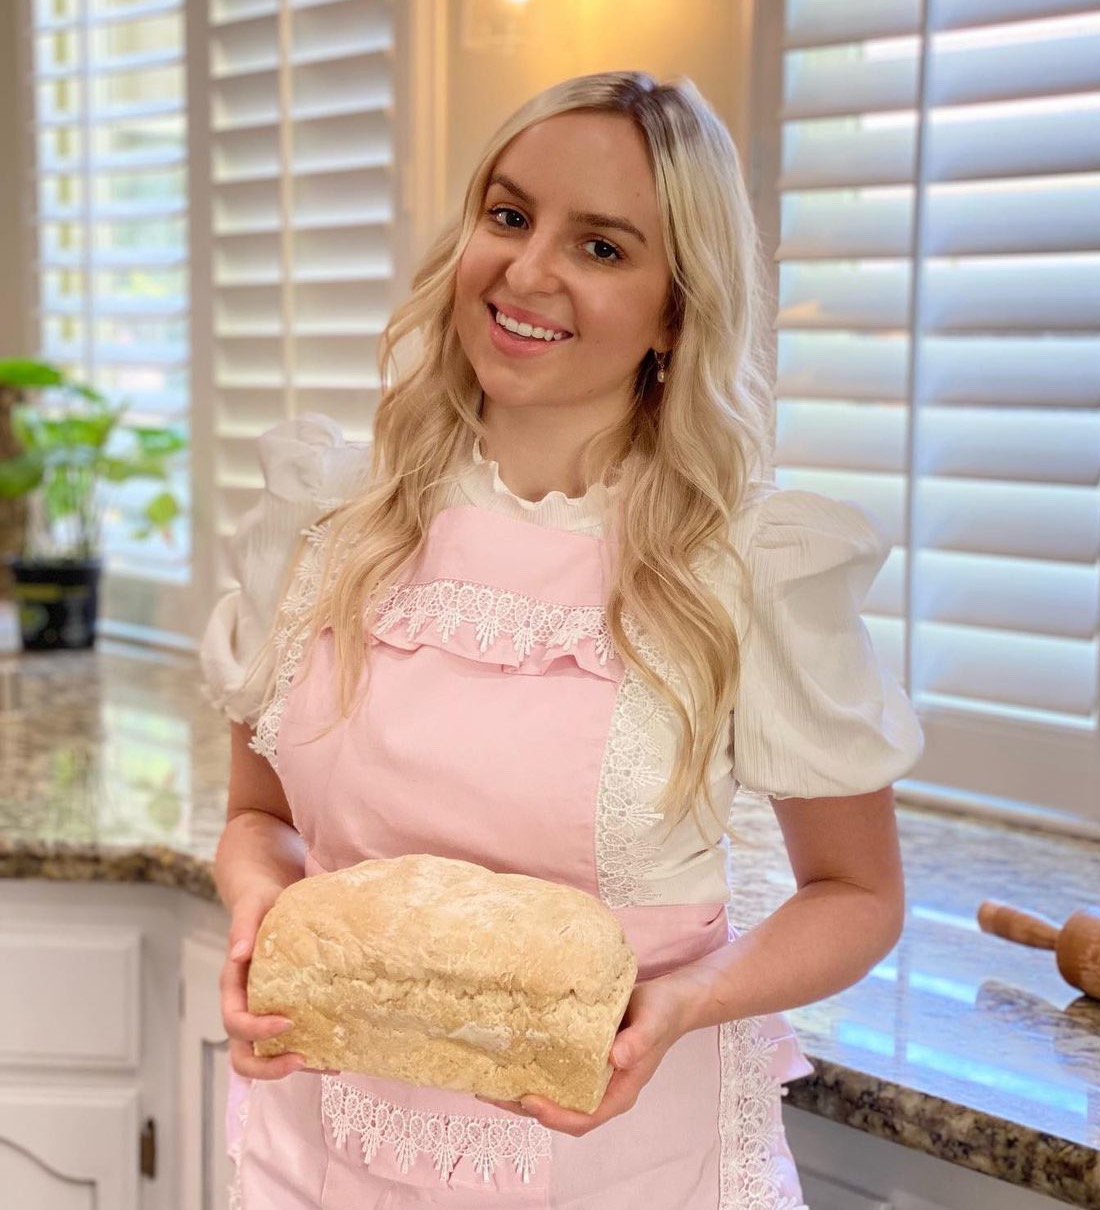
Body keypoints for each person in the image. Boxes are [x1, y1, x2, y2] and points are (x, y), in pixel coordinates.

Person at [200, 69, 924, 1210]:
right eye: (508, 214)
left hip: (624, 1169)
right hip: (320, 1156)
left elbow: (856, 893)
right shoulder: (323, 526)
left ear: (677, 309)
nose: (528, 271)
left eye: (602, 247)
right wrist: (259, 916)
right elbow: (258, 818)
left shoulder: (745, 567)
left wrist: (686, 999)